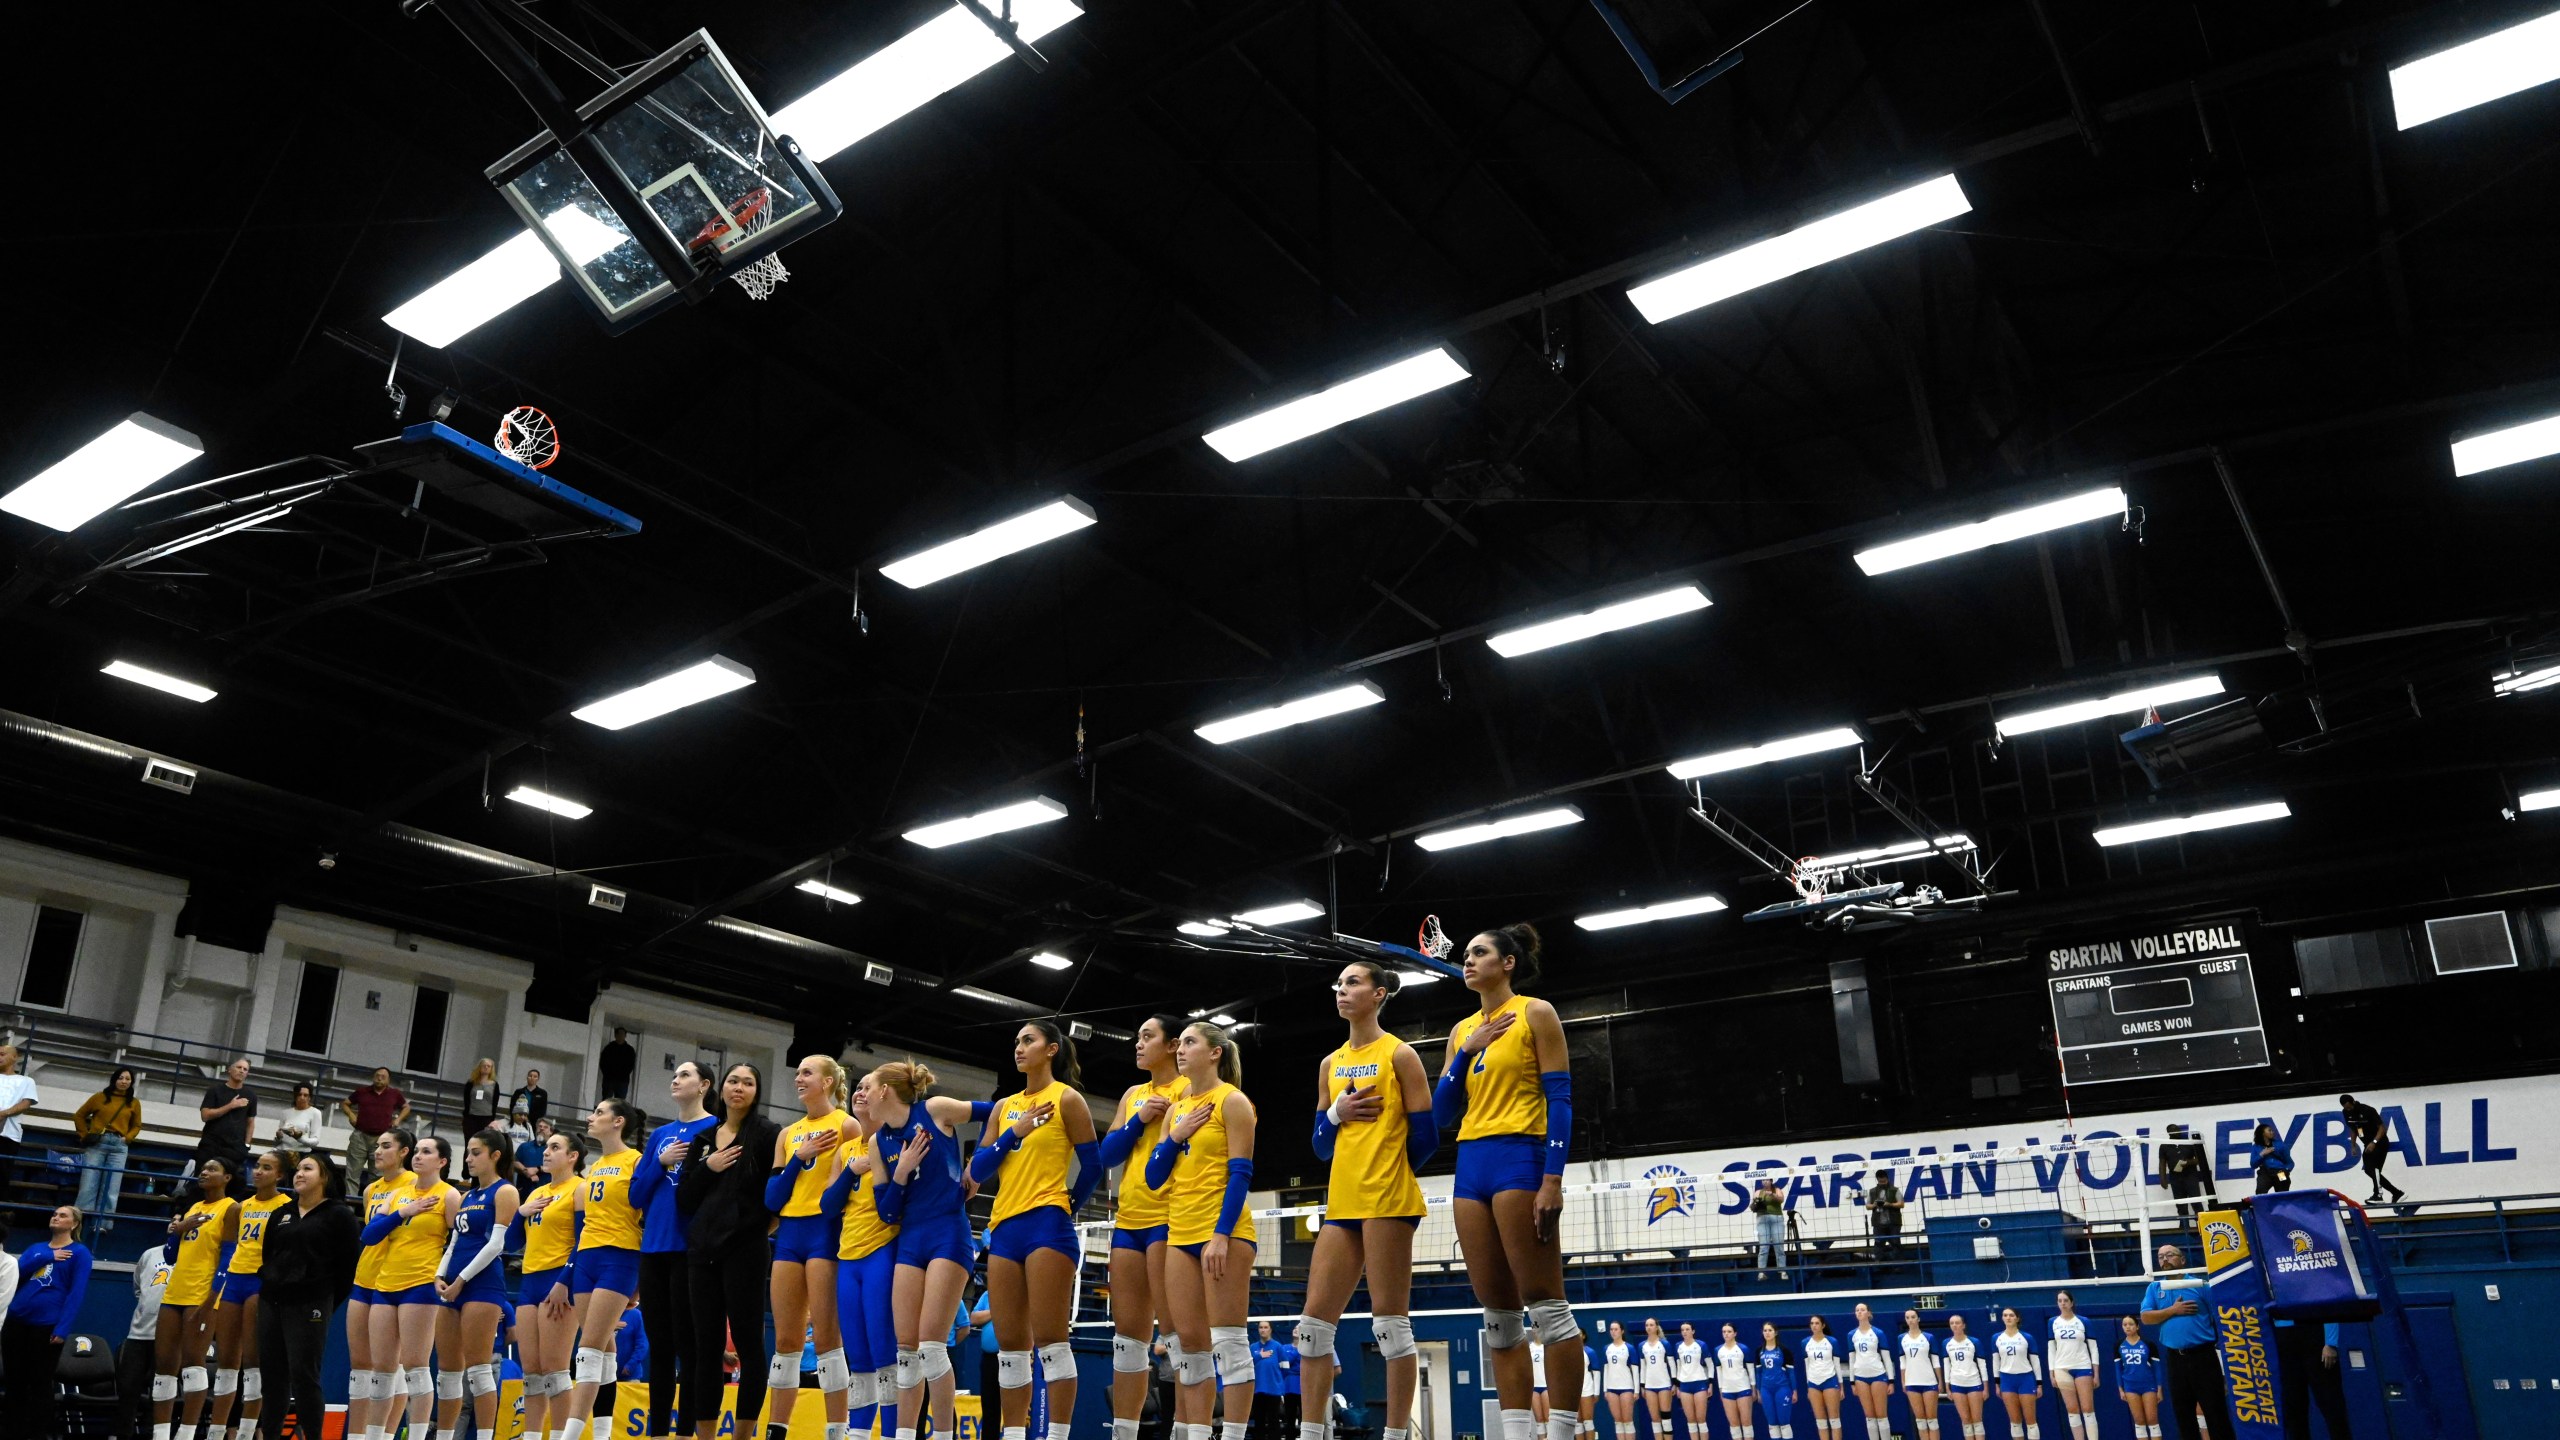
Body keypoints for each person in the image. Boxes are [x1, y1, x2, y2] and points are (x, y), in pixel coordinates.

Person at [1431, 923, 1586, 1440]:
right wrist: (1464, 1053)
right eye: (1466, 954)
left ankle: (1563, 1431)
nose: (1467, 961)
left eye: (1479, 953)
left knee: (1547, 1306)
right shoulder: (1461, 1030)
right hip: (1470, 1164)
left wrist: (1553, 1179)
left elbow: (1560, 1101)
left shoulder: (1535, 1013)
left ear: (1508, 963)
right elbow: (1441, 1113)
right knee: (1498, 1317)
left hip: (1521, 1155)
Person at [1299, 962, 1435, 1440]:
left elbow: (1427, 1138)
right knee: (1312, 1330)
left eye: (1352, 982)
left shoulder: (1400, 1055)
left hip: (1387, 1200)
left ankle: (1396, 1434)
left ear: (1379, 994)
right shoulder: (1329, 1064)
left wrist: (1388, 1171)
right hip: (1342, 1203)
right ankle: (1310, 1432)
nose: (1341, 989)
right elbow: (1319, 1146)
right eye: (1339, 983)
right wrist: (1336, 1112)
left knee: (1390, 1329)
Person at [972, 1021, 1102, 1440]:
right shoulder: (1003, 1107)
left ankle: (1058, 1434)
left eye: (1028, 1040)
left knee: (1051, 1340)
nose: (1019, 1047)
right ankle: (1014, 1434)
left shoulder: (1068, 1099)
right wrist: (1015, 1131)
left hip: (1048, 1224)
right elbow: (978, 1169)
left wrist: (1065, 1207)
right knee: (1010, 1349)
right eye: (1016, 1042)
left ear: (1051, 1049)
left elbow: (1094, 1167)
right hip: (1005, 1229)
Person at [1148, 1022, 1259, 1440]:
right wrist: (1175, 1136)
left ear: (1215, 1053)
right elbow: (1154, 1176)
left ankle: (1231, 1435)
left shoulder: (1233, 1102)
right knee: (1189, 1350)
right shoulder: (1176, 1109)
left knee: (1229, 1345)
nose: (1181, 1050)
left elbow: (1241, 1173)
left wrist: (1221, 1234)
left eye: (1191, 1042)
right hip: (1180, 1233)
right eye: (1180, 1043)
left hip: (1222, 1233)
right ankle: (1196, 1433)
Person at [860, 1058, 976, 1440]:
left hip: (948, 1234)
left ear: (883, 1091)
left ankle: (944, 1434)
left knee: (931, 1346)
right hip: (911, 1240)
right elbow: (888, 1212)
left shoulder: (935, 1110)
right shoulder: (878, 1142)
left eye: (867, 1087)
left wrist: (978, 1164)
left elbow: (999, 1113)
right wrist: (901, 1171)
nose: (862, 1095)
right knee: (906, 1351)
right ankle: (906, 1435)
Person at [677, 1063, 782, 1440]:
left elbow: (778, 1198)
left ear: (757, 1091)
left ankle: (742, 1435)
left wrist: (754, 1231)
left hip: (746, 1251)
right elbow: (685, 1198)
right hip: (701, 1253)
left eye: (748, 1082)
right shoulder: (704, 1138)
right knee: (707, 1348)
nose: (739, 1088)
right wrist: (709, 1167)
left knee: (749, 1343)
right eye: (733, 1081)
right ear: (720, 1089)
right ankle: (704, 1435)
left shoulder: (770, 1134)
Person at [1099, 1017, 1186, 1440]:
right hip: (1130, 1221)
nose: (1138, 1044)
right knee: (1127, 1339)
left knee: (1177, 1336)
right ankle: (1124, 1432)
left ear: (1172, 1046)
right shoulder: (1134, 1094)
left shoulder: (1189, 1089)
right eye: (1137, 1037)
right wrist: (1139, 1119)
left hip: (1171, 1218)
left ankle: (1190, 1429)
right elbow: (1108, 1154)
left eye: (1147, 1037)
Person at [767, 1058, 857, 1440]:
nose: (798, 1078)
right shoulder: (788, 1133)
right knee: (786, 1340)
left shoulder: (846, 1124)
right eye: (798, 1072)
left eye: (806, 1072)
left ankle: (838, 1429)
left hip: (826, 1234)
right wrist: (799, 1159)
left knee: (826, 1338)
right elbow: (772, 1197)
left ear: (829, 1081)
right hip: (788, 1236)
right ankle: (776, 1430)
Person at [631, 1062, 719, 1440]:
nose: (676, 1079)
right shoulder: (661, 1135)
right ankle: (657, 1433)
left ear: (704, 1085)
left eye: (685, 1074)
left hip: (692, 1251)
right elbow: (636, 1195)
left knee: (690, 1347)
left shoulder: (715, 1129)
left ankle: (685, 1432)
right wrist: (661, 1163)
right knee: (661, 1347)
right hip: (653, 1249)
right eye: (675, 1074)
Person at [358, 1133, 460, 1440]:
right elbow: (369, 1235)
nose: (417, 1156)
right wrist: (404, 1212)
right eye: (416, 1151)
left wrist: (448, 1278)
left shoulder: (450, 1195)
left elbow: (458, 1242)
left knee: (416, 1365)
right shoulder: (398, 1193)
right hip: (386, 1283)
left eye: (426, 1152)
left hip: (421, 1283)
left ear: (441, 1161)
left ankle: (416, 1435)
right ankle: (377, 1436)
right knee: (382, 1369)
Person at [260, 1153, 360, 1440]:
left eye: (308, 1168)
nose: (299, 1174)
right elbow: (269, 1256)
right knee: (272, 1378)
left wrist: (324, 1301)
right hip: (271, 1301)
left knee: (305, 1377)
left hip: (311, 1304)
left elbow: (348, 1267)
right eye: (298, 1169)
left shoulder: (339, 1215)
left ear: (325, 1176)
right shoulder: (282, 1214)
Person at [567, 1098, 650, 1440]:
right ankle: (602, 1436)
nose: (591, 1117)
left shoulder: (637, 1161)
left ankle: (569, 1435)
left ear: (618, 1122)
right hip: (587, 1256)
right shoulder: (597, 1165)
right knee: (603, 1347)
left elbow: (649, 1219)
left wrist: (640, 1281)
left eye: (599, 1112)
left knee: (587, 1349)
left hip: (621, 1256)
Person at [823, 1086, 897, 1440]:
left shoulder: (894, 1140)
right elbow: (828, 1205)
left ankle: (895, 1433)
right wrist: (852, 1171)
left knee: (885, 1353)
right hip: (847, 1258)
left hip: (883, 1251)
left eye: (870, 1088)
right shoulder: (846, 1150)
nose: (860, 1093)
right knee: (859, 1356)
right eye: (859, 1088)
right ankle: (859, 1434)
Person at [436, 1130, 521, 1440]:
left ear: (495, 1155)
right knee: (446, 1373)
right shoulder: (467, 1195)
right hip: (451, 1284)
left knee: (479, 1370)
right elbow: (453, 1240)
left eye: (475, 1153)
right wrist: (439, 1275)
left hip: (483, 1286)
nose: (468, 1158)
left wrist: (460, 1280)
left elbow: (497, 1244)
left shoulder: (505, 1191)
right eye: (468, 1153)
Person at [206, 1152, 290, 1440]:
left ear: (279, 1175)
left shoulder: (287, 1207)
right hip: (234, 1280)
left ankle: (247, 1432)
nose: (258, 1172)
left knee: (254, 1361)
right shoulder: (239, 1207)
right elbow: (229, 1248)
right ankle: (217, 1431)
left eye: (267, 1168)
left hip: (260, 1281)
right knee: (228, 1360)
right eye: (257, 1166)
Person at [155, 1157, 236, 1440]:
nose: (205, 1171)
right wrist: (177, 1231)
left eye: (213, 1169)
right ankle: (161, 1434)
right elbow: (169, 1256)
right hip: (175, 1290)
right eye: (204, 1168)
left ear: (227, 1178)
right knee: (164, 1364)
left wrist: (212, 1298)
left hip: (203, 1295)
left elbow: (228, 1256)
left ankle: (186, 1434)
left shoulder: (230, 1208)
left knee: (193, 1362)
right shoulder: (193, 1208)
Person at [516, 1131, 587, 1440]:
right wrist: (520, 1214)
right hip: (529, 1281)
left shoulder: (579, 1188)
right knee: (531, 1373)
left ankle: (561, 1436)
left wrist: (564, 1282)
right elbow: (512, 1242)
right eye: (546, 1147)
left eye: (555, 1147)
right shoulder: (536, 1193)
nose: (546, 1152)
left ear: (572, 1156)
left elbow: (585, 1240)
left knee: (555, 1371)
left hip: (558, 1281)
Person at [7, 1203, 94, 1440]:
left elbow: (76, 1293)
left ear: (74, 1224)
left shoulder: (80, 1253)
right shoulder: (36, 1249)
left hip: (46, 1325)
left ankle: (36, 1433)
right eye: (54, 1214)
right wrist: (48, 1256)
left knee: (40, 1383)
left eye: (63, 1215)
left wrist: (63, 1328)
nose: (56, 1217)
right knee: (14, 1381)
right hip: (16, 1321)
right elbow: (17, 1272)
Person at [73, 1067, 142, 1233]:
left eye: (127, 1079)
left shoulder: (134, 1102)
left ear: (131, 1083)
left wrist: (128, 1138)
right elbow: (79, 1115)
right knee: (88, 1183)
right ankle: (79, 1222)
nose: (124, 1081)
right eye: (121, 1078)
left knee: (112, 1186)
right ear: (114, 1080)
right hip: (98, 1143)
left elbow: (137, 1125)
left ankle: (102, 1224)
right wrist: (84, 1135)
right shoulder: (100, 1097)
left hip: (119, 1146)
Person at [120, 1237, 173, 1440]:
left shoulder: (192, 1254)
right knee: (127, 1388)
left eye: (180, 1220)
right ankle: (122, 1434)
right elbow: (138, 1288)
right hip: (139, 1332)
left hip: (169, 1336)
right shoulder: (149, 1253)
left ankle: (154, 1434)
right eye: (173, 1221)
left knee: (160, 1390)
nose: (174, 1224)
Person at [2273, 1320, 2352, 1440]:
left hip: (2314, 1332)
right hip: (2283, 1337)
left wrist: (2331, 1343)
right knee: (2293, 1408)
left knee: (2332, 1405)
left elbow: (2328, 1304)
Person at [342, 1068, 413, 1184]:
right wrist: (351, 1115)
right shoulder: (362, 1091)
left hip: (381, 1139)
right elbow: (345, 1103)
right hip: (360, 1136)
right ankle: (350, 1201)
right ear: (373, 1077)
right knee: (352, 1173)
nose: (380, 1078)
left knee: (376, 1175)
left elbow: (406, 1107)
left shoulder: (394, 1094)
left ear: (388, 1080)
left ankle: (372, 1201)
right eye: (377, 1075)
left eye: (383, 1076)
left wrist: (398, 1120)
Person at [197, 1058, 259, 1184]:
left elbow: (250, 1122)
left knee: (229, 1184)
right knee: (203, 1181)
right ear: (229, 1070)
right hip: (211, 1145)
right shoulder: (215, 1090)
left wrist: (246, 1145)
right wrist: (230, 1106)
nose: (241, 1071)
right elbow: (205, 1115)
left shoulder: (251, 1095)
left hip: (234, 1148)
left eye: (245, 1069)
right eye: (239, 1067)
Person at [2048, 1291, 2098, 1440]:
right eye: (2059, 1300)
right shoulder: (2053, 1322)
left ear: (2071, 1302)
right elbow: (2051, 1349)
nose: (2062, 1303)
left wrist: (2096, 1373)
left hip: (2082, 1366)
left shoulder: (2083, 1321)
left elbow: (2093, 1348)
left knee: (2088, 1408)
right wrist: (2051, 1373)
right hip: (2062, 1368)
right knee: (2072, 1410)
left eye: (2065, 1300)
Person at [2340, 1096, 2405, 1205]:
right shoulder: (2346, 1113)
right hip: (2368, 1144)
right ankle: (2396, 1193)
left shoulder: (2368, 1110)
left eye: (2349, 1107)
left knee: (2373, 1168)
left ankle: (2378, 1195)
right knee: (2370, 1170)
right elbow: (2354, 1128)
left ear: (2354, 1102)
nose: (2348, 1110)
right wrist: (2353, 1145)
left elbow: (2382, 1128)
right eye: (2346, 1108)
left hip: (2380, 1142)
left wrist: (2374, 1142)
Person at [1990, 1307, 2042, 1439]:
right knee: (2015, 1422)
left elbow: (2035, 1362)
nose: (2008, 1318)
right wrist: (1997, 1384)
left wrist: (2039, 1384)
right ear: (2002, 1318)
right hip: (2007, 1380)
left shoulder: (2026, 1337)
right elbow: (1996, 1361)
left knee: (2031, 1421)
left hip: (2026, 1378)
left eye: (2011, 1315)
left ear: (2017, 1318)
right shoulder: (1996, 1338)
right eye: (2005, 1315)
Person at [1843, 1302, 1889, 1440]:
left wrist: (1891, 1380)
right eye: (1857, 1310)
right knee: (1869, 1415)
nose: (1859, 1312)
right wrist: (1852, 1382)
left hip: (1878, 1375)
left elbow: (1886, 1358)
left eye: (1862, 1310)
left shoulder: (1878, 1332)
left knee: (1881, 1414)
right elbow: (1851, 1360)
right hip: (1860, 1377)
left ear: (1869, 1313)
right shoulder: (1852, 1334)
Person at [0, 1045, 39, 1205]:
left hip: (8, 1134)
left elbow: (26, 1103)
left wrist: (4, 1113)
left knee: (2, 1175)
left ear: (14, 1057)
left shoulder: (26, 1081)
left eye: (2, 1054)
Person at [1940, 1313, 1985, 1440]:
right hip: (1957, 1384)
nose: (1954, 1325)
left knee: (1977, 1420)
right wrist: (1947, 1387)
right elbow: (1946, 1366)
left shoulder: (1973, 1342)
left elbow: (1982, 1365)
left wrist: (1985, 1387)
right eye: (1952, 1323)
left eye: (1957, 1323)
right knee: (1965, 1420)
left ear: (1963, 1325)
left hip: (1974, 1383)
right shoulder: (1946, 1343)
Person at [2159, 1126, 2215, 1227]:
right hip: (2175, 1177)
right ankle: (2184, 1227)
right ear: (2168, 1132)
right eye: (2173, 1131)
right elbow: (2162, 1163)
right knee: (2180, 1204)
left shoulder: (2188, 1143)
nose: (2177, 1132)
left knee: (2196, 1201)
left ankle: (2203, 1225)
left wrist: (2188, 1162)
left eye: (2178, 1130)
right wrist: (2163, 1178)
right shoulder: (2164, 1146)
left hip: (2190, 1175)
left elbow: (2199, 1159)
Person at [2115, 1316, 2161, 1440]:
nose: (2127, 1327)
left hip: (2148, 1385)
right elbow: (2118, 1369)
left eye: (2130, 1324)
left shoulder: (2148, 1344)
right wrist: (2120, 1388)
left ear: (2137, 1326)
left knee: (2152, 1419)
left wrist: (2159, 1389)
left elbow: (2157, 1368)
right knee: (2139, 1420)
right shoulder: (2119, 1345)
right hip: (2130, 1386)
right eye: (2125, 1324)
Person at [1896, 1310, 1939, 1440]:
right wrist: (1903, 1381)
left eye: (1913, 1317)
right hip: (1911, 1382)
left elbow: (1936, 1361)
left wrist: (1940, 1381)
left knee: (1932, 1419)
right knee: (1920, 1420)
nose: (1910, 1320)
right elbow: (1902, 1362)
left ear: (1918, 1319)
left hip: (1929, 1381)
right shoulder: (1901, 1338)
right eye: (1907, 1317)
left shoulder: (1928, 1337)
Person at [1800, 1315, 1842, 1440]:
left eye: (1817, 1323)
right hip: (1813, 1383)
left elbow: (1837, 1365)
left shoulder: (1832, 1341)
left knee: (1834, 1420)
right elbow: (1807, 1366)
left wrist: (1841, 1386)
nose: (1814, 1325)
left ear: (1823, 1325)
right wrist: (1808, 1386)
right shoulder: (1805, 1342)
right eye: (1812, 1323)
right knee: (1821, 1422)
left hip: (1830, 1380)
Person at [1755, 1321, 1796, 1440]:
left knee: (1784, 1421)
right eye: (1765, 1330)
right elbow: (1758, 1373)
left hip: (1782, 1388)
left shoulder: (1784, 1350)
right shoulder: (1759, 1351)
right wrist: (1758, 1391)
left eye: (1770, 1330)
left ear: (1776, 1333)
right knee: (1772, 1423)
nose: (1767, 1333)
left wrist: (1794, 1390)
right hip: (1766, 1389)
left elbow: (1791, 1372)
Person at [1709, 1322, 1751, 1440]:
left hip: (1743, 1388)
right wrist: (1721, 1389)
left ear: (1735, 1333)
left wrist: (1752, 1388)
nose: (1726, 1334)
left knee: (1746, 1422)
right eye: (1724, 1332)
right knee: (1733, 1424)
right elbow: (1719, 1371)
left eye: (1729, 1332)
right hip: (1727, 1390)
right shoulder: (1718, 1350)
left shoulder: (1743, 1348)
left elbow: (1750, 1370)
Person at [1671, 1321, 1710, 1438]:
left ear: (1693, 1331)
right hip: (1684, 1385)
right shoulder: (1678, 1346)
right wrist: (1677, 1386)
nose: (1684, 1332)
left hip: (1700, 1383)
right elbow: (1678, 1367)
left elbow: (1710, 1365)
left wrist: (1710, 1383)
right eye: (1682, 1330)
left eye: (1687, 1329)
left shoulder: (1701, 1345)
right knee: (1691, 1420)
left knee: (1701, 1419)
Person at [1250, 1323, 1289, 1440]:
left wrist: (1276, 1380)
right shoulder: (1252, 1348)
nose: (1263, 1330)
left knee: (1273, 1421)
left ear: (1271, 1330)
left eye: (1265, 1327)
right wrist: (1259, 1356)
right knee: (1259, 1421)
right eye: (1260, 1327)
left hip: (1273, 1390)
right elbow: (1247, 1366)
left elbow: (1285, 1368)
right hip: (1257, 1391)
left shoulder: (1277, 1347)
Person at [1636, 1318, 1673, 1438]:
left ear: (1656, 1327)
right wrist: (1642, 1385)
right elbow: (1643, 1367)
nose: (1649, 1327)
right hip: (1650, 1386)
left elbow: (1672, 1364)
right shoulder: (1642, 1345)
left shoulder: (1664, 1344)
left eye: (1651, 1325)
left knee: (1666, 1418)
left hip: (1664, 1384)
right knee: (1654, 1419)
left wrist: (1675, 1383)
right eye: (1646, 1325)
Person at [1600, 1321, 1636, 1437]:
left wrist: (1636, 1391)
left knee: (1627, 1421)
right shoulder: (1607, 1348)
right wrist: (1605, 1389)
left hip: (1626, 1387)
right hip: (1611, 1388)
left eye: (1616, 1329)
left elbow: (1635, 1370)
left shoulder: (1629, 1348)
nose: (1613, 1332)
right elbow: (1606, 1369)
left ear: (1622, 1331)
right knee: (1618, 1421)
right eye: (1611, 1329)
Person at [1751, 1178, 1788, 1278]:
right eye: (1763, 1180)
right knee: (1763, 1246)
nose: (1765, 1182)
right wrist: (1756, 1203)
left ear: (1771, 1181)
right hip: (1762, 1219)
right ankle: (1761, 1272)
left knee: (1779, 1245)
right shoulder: (1758, 1192)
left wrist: (1772, 1195)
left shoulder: (1777, 1190)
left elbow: (1781, 1199)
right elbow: (1754, 1205)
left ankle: (1782, 1270)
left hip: (1776, 1218)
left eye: (1767, 1180)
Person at [276, 1084, 325, 1158]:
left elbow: (315, 1141)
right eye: (299, 1094)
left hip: (301, 1153)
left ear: (309, 1097)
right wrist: (278, 1137)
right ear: (295, 1096)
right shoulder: (285, 1113)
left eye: (305, 1095)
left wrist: (299, 1138)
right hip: (283, 1151)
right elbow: (279, 1139)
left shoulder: (315, 1113)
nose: (302, 1097)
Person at [1865, 1169, 1904, 1253]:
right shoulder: (1872, 1191)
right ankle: (1879, 1264)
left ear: (1887, 1179)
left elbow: (1901, 1204)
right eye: (1880, 1181)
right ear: (1877, 1180)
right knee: (1879, 1245)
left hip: (1893, 1223)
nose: (1882, 1183)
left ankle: (1897, 1265)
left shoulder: (1895, 1190)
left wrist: (1890, 1204)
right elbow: (1867, 1206)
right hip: (1878, 1224)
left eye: (1884, 1181)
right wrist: (1874, 1205)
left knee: (1895, 1244)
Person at [462, 1058, 503, 1136]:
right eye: (484, 1065)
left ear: (491, 1069)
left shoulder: (494, 1085)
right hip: (471, 1116)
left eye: (488, 1066)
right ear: (479, 1067)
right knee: (469, 1140)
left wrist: (492, 1118)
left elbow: (495, 1102)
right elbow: (466, 1099)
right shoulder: (471, 1082)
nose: (486, 1067)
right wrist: (465, 1116)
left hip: (486, 1117)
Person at [2251, 1123, 2293, 1194]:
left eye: (2272, 1130)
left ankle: (2282, 1205)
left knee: (2283, 1192)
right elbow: (2253, 1164)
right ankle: (2262, 1205)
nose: (2272, 1132)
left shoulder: (2280, 1145)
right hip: (2265, 1172)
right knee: (2260, 1191)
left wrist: (2286, 1170)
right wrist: (2262, 1154)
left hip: (2280, 1172)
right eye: (2269, 1130)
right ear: (2263, 1133)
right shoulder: (2256, 1147)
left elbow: (2290, 1163)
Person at [601, 1030, 639, 1102]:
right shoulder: (609, 1048)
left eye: (622, 1034)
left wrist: (624, 1073)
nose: (620, 1036)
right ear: (615, 1035)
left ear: (625, 1036)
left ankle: (618, 1113)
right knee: (606, 1100)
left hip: (622, 1080)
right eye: (619, 1034)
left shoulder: (629, 1050)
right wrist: (607, 1074)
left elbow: (631, 1065)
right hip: (609, 1079)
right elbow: (603, 1062)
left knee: (620, 1102)